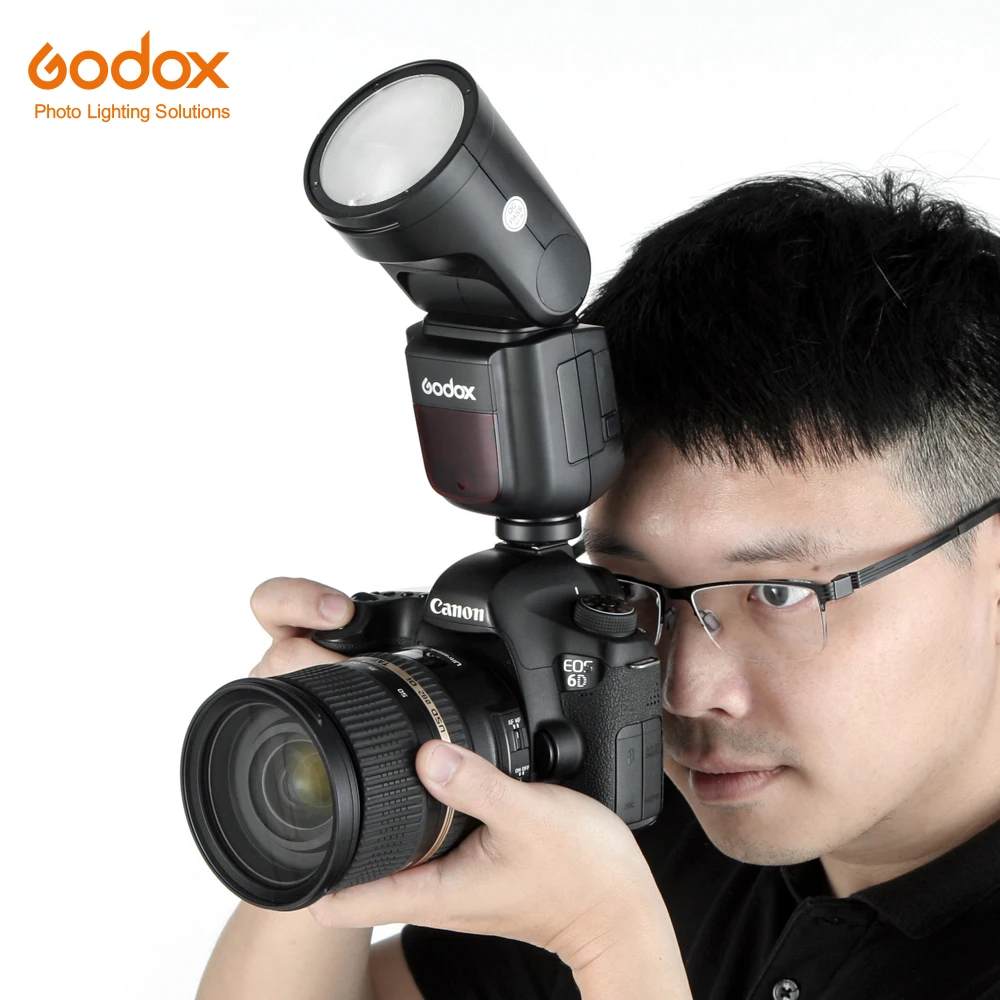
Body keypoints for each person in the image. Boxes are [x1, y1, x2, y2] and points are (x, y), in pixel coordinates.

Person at [194, 171, 1000, 1000]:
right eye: (626, 591)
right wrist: (344, 770)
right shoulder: (646, 818)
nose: (684, 692)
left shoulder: (610, 887)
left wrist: (609, 943)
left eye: (777, 594)